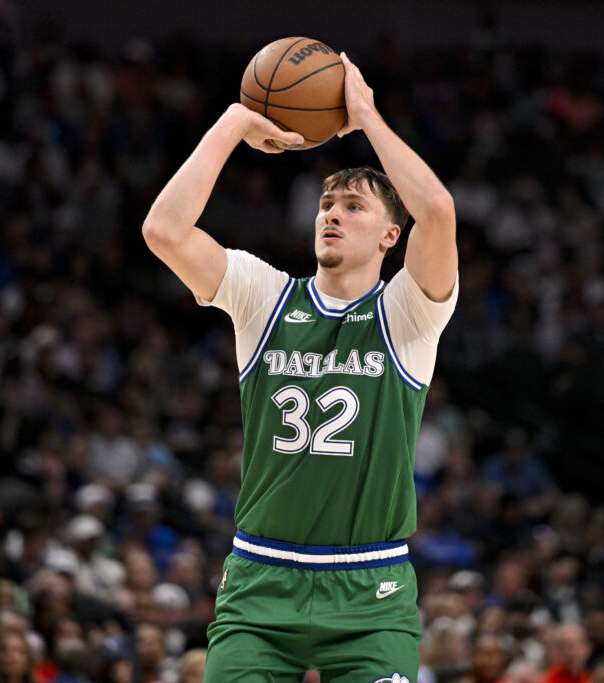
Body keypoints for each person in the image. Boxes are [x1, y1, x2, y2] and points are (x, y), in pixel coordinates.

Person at [143, 51, 457, 683]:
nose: (332, 213)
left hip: (371, 590)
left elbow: (439, 211)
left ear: (390, 237)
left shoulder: (408, 314)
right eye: (326, 204)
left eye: (353, 206)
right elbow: (165, 230)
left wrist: (366, 117)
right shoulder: (265, 295)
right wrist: (233, 123)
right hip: (262, 581)